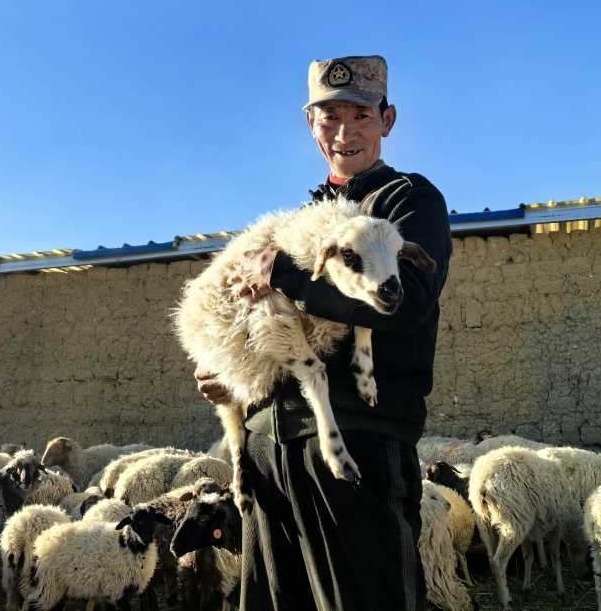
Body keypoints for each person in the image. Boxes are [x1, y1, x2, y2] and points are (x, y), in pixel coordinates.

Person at [194, 55, 453, 611]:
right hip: (270, 444)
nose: (344, 132)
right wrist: (230, 371)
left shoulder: (407, 202)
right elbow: (264, 321)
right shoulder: (301, 218)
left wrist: (284, 273)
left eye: (360, 115)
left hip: (355, 439)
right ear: (310, 126)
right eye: (328, 117)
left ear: (387, 120)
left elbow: (401, 307)